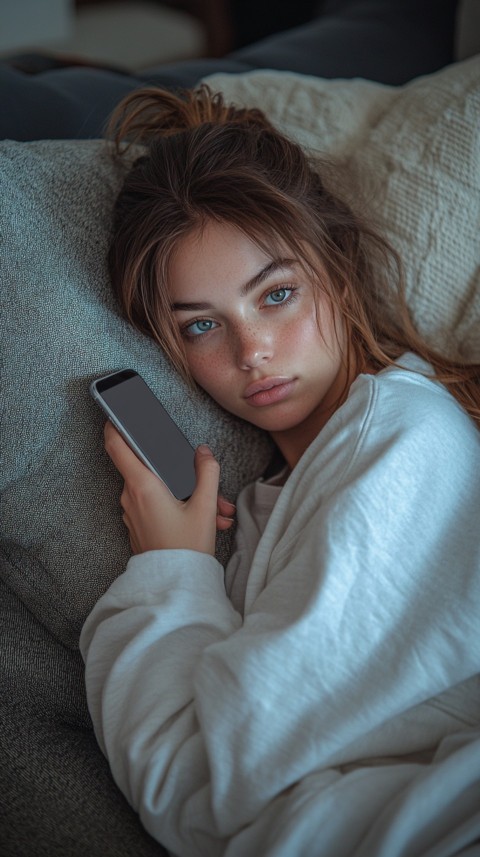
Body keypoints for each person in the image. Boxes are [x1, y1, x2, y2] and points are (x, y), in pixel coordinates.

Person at [79, 85, 480, 857]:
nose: (251, 349)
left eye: (277, 294)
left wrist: (170, 569)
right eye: (202, 324)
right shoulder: (263, 507)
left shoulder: (402, 438)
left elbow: (201, 788)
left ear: (335, 267)